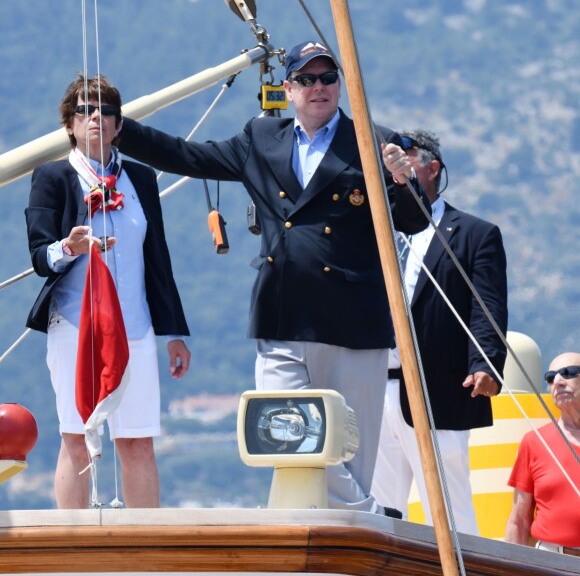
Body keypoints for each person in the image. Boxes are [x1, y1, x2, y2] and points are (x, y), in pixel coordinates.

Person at [116, 41, 431, 513]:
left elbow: (413, 221)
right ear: (288, 88)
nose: (319, 87)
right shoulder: (261, 139)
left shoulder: (371, 141)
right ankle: (367, 514)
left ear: (340, 85)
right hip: (282, 314)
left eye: (327, 78)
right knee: (287, 428)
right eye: (306, 79)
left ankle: (351, 532)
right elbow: (188, 157)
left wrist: (404, 180)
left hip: (353, 323)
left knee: (354, 447)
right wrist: (122, 131)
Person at [25, 74, 191, 509]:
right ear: (70, 123)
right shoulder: (54, 177)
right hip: (76, 327)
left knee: (137, 442)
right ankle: (72, 551)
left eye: (106, 111)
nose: (96, 117)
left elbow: (158, 258)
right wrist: (70, 247)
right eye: (85, 110)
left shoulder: (140, 177)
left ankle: (144, 553)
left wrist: (173, 332)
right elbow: (39, 257)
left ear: (119, 125)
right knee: (77, 440)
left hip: (134, 326)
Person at [371, 129, 508, 533]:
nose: (394, 161)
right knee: (378, 510)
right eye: (389, 155)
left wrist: (485, 362)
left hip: (439, 387)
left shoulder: (474, 234)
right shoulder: (374, 226)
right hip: (374, 386)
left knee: (448, 513)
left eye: (405, 154)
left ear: (432, 168)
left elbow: (488, 307)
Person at [505, 352, 580, 555]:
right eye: (550, 377)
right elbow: (519, 521)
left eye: (568, 373)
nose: (558, 381)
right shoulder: (534, 442)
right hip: (550, 561)